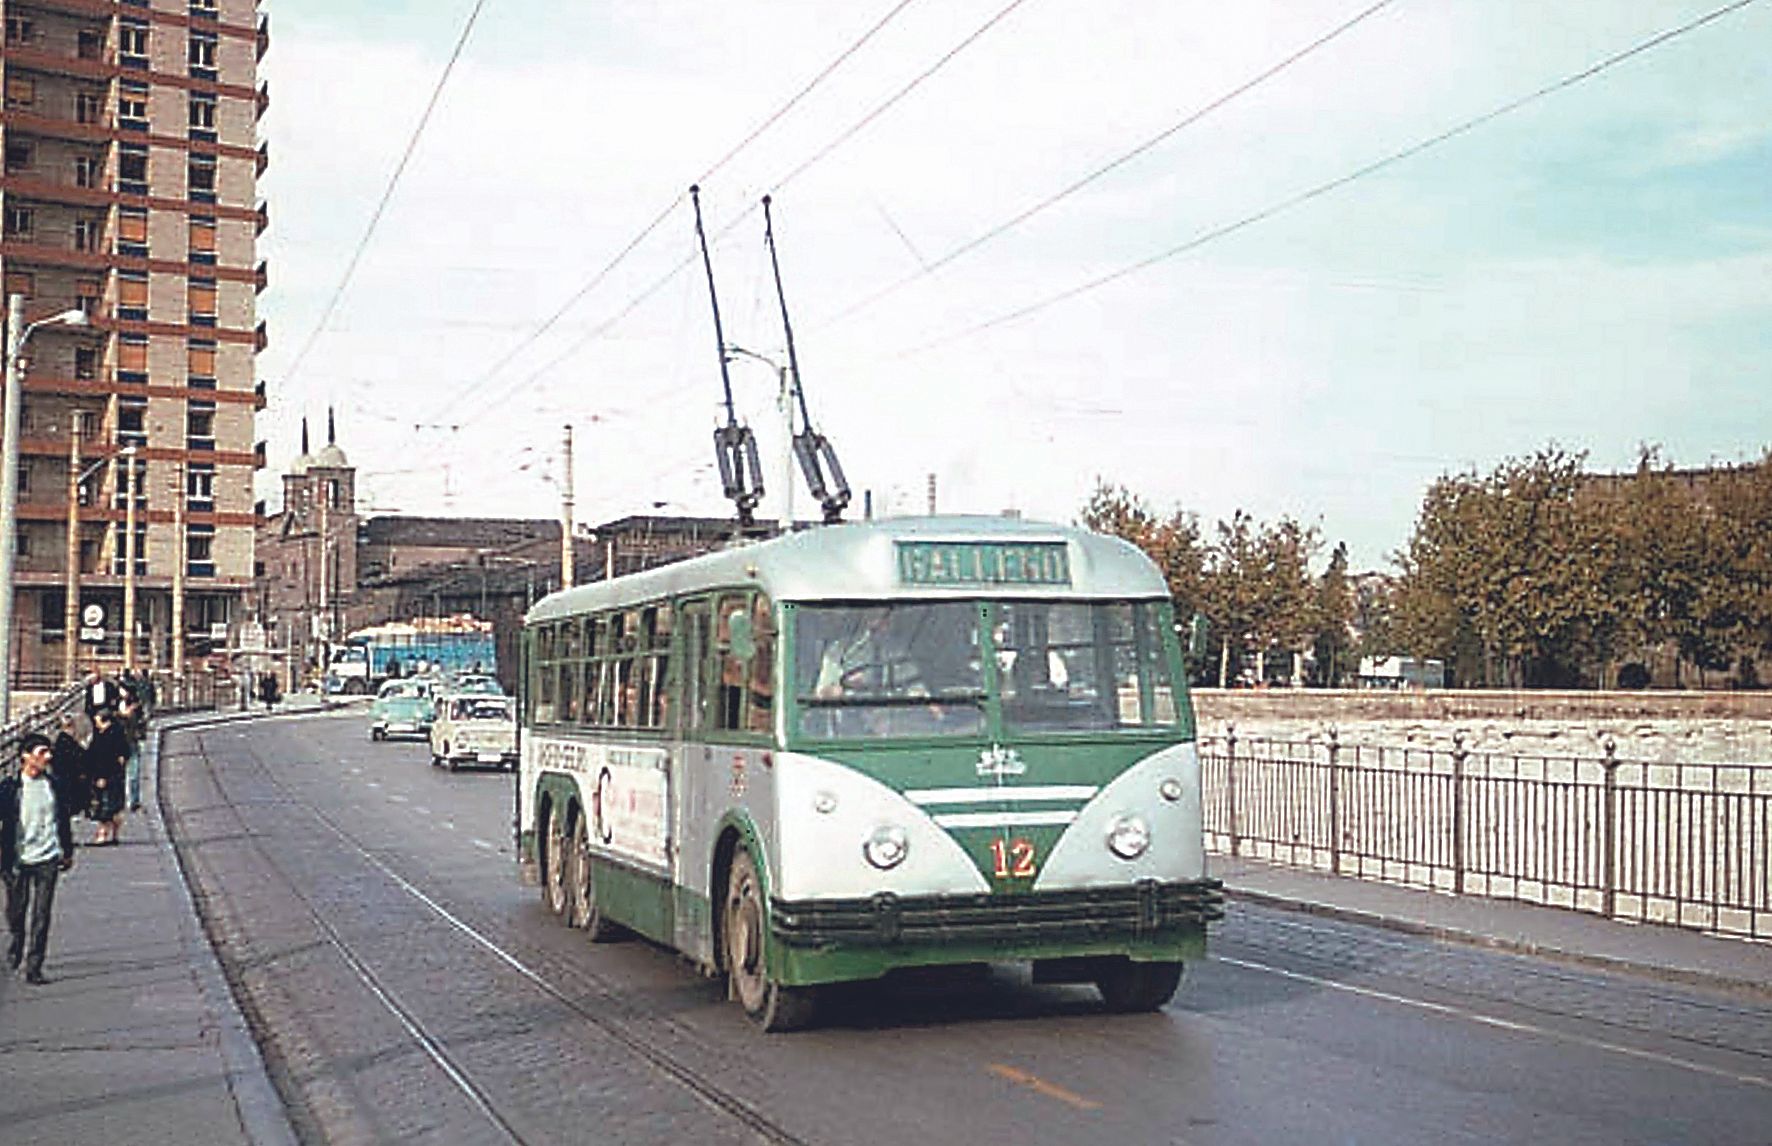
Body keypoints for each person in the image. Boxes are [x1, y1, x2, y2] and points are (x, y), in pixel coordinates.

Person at [2, 733, 77, 984]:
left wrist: (67, 850)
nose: (48, 757)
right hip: (17, 859)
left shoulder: (54, 784)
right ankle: (16, 942)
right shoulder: (10, 788)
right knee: (16, 911)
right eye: (42, 752)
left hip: (48, 856)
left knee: (42, 914)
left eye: (48, 752)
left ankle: (34, 966)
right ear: (26, 756)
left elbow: (63, 819)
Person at [85, 707, 130, 845]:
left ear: (105, 721)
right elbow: (125, 753)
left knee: (105, 807)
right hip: (117, 775)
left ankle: (103, 834)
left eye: (97, 721)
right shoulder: (118, 733)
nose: (96, 724)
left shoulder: (105, 737)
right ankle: (115, 834)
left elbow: (102, 758)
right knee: (115, 806)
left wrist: (101, 776)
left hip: (106, 776)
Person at [119, 693, 147, 812]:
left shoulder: (136, 710)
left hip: (132, 744)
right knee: (121, 776)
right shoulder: (115, 711)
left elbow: (141, 724)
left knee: (133, 775)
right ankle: (121, 802)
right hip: (121, 747)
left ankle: (134, 801)